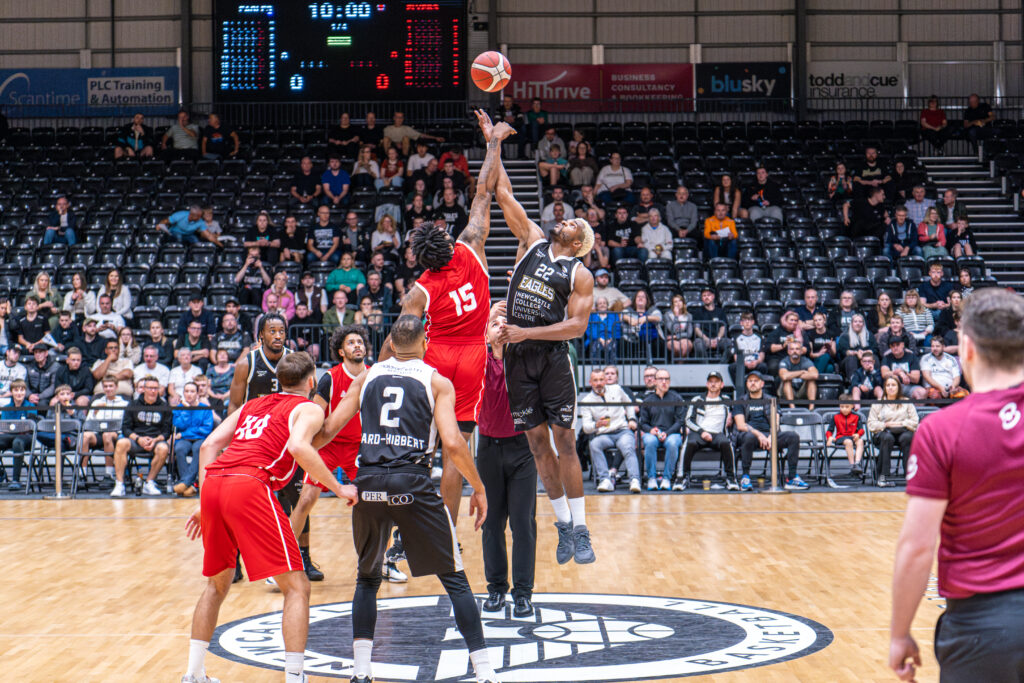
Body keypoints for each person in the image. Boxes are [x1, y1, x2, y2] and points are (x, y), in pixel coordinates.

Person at [314, 315, 499, 683]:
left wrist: (292, 450)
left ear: (391, 344)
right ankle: (486, 673)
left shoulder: (366, 376)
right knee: (455, 580)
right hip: (411, 483)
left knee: (367, 581)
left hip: (367, 482)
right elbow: (453, 443)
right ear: (425, 342)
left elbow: (329, 429)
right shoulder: (436, 381)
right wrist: (478, 488)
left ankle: (362, 672)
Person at [180, 352, 357, 683]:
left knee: (217, 584)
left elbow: (209, 446)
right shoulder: (308, 408)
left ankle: (193, 674)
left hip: (215, 483)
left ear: (278, 381)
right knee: (297, 587)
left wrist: (204, 501)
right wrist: (338, 486)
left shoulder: (252, 405)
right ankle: (294, 676)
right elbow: (299, 448)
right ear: (310, 382)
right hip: (250, 484)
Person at [377, 112, 509, 527]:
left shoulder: (420, 289)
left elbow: (400, 338)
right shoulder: (471, 247)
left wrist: (379, 372)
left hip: (433, 361)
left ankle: (403, 531)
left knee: (418, 447)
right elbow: (484, 193)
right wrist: (492, 144)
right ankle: (447, 533)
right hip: (472, 359)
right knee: (458, 447)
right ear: (448, 242)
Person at [889, 288, 1024, 682]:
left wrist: (899, 634)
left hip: (982, 628)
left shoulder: (942, 430)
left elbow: (917, 546)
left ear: (965, 347)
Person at [490, 112, 598, 565]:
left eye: (574, 221)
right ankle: (562, 525)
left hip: (552, 359)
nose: (566, 219)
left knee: (565, 440)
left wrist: (524, 331)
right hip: (518, 360)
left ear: (579, 241)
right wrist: (493, 143)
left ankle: (583, 528)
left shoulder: (580, 272)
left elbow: (576, 328)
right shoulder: (533, 241)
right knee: (537, 446)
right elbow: (500, 192)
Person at [476, 302, 537, 617]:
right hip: (488, 449)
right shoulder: (477, 360)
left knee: (523, 524)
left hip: (522, 448)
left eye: (505, 324)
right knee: (492, 524)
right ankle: (496, 589)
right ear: (485, 332)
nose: (500, 328)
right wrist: (486, 321)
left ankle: (523, 593)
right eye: (494, 324)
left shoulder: (524, 360)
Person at [734, 370, 807, 491]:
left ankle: (792, 477)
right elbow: (741, 425)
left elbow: (776, 422)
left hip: (769, 435)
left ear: (762, 384)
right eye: (750, 381)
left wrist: (770, 437)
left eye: (756, 381)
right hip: (750, 435)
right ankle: (745, 477)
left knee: (793, 436)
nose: (753, 383)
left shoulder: (771, 399)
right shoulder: (740, 401)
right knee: (749, 437)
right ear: (747, 384)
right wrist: (759, 435)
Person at [110, 375, 172, 497]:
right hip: (136, 440)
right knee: (121, 443)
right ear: (143, 389)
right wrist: (138, 439)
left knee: (164, 448)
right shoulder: (133, 405)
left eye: (155, 388)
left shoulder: (165, 406)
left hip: (155, 441)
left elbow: (166, 432)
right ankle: (119, 484)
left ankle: (149, 482)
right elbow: (126, 428)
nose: (153, 391)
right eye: (150, 388)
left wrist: (155, 440)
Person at [580, 369, 640, 494]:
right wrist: (596, 424)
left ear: (605, 381)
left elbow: (629, 403)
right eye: (595, 380)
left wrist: (632, 418)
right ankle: (605, 480)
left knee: (628, 446)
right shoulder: (586, 401)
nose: (599, 383)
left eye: (601, 380)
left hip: (622, 430)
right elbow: (586, 427)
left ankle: (634, 480)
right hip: (604, 434)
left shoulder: (617, 389)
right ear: (590, 382)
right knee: (594, 445)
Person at [680, 371, 738, 490]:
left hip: (718, 434)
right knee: (689, 443)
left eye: (716, 382)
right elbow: (688, 420)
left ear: (722, 385)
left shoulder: (727, 400)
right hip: (699, 433)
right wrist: (702, 432)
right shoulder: (697, 399)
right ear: (707, 384)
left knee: (726, 443)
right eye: (711, 382)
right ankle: (683, 477)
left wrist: (732, 415)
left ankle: (731, 478)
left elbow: (737, 410)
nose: (713, 384)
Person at [867, 376, 918, 488]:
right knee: (887, 438)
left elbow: (915, 422)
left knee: (908, 437)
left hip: (903, 431)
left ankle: (909, 475)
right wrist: (885, 425)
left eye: (893, 385)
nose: (890, 388)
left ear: (898, 387)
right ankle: (883, 477)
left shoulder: (906, 402)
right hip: (884, 433)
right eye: (888, 385)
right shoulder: (878, 403)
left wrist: (901, 424)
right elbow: (871, 423)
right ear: (885, 388)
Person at [639, 368, 684, 490]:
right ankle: (652, 478)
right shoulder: (647, 401)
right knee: (649, 441)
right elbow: (643, 423)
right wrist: (650, 430)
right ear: (655, 381)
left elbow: (680, 421)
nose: (664, 382)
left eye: (666, 379)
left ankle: (666, 478)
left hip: (672, 433)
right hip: (653, 434)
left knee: (673, 442)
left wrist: (667, 433)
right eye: (660, 379)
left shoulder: (676, 399)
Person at [80, 375, 128, 490]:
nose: (108, 389)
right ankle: (82, 474)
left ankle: (109, 474)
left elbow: (124, 424)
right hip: (98, 434)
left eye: (111, 386)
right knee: (85, 436)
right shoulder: (97, 402)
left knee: (107, 435)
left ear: (116, 387)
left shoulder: (124, 404)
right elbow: (88, 424)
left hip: (116, 435)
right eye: (105, 386)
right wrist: (95, 412)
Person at [171, 381, 215, 497]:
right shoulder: (179, 408)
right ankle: (190, 485)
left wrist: (184, 434)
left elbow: (206, 429)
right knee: (179, 448)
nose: (189, 394)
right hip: (185, 440)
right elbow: (178, 424)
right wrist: (186, 410)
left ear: (197, 394)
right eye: (186, 391)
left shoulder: (205, 408)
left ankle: (184, 482)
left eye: (192, 391)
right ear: (183, 393)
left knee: (198, 449)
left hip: (200, 438)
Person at [0, 380, 35, 490]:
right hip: (9, 436)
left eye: (22, 390)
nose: (19, 393)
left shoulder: (31, 406)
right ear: (11, 392)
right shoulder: (7, 407)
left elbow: (30, 427)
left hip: (25, 438)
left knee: (17, 442)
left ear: (25, 392)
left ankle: (16, 479)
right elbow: (3, 427)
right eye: (16, 390)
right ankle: (1, 473)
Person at [825, 396, 866, 476]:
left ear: (852, 406)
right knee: (848, 442)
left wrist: (858, 434)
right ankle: (852, 465)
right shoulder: (835, 417)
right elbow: (830, 430)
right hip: (840, 437)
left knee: (860, 441)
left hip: (853, 436)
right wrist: (829, 437)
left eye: (847, 407)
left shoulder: (857, 416)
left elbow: (861, 429)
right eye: (842, 407)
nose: (844, 409)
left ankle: (857, 463)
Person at [778, 339, 819, 408]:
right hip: (787, 392)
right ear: (788, 351)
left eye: (797, 349)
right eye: (792, 349)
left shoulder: (806, 361)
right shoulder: (784, 361)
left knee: (811, 381)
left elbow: (815, 375)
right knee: (787, 381)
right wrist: (802, 372)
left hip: (802, 391)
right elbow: (784, 376)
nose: (794, 351)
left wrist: (792, 375)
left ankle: (811, 408)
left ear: (801, 351)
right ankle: (793, 408)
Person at [692, 287, 730, 360]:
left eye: (708, 295)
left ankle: (721, 365)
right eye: (704, 295)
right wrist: (706, 339)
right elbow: (697, 329)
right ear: (702, 298)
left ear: (713, 296)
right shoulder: (698, 312)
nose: (706, 297)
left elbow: (723, 327)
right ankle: (705, 366)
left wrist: (718, 338)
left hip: (718, 339)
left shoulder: (720, 311)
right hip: (704, 340)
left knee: (729, 343)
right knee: (698, 343)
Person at [731, 311, 766, 380]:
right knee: (732, 367)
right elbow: (736, 356)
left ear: (753, 322)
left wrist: (756, 362)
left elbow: (761, 354)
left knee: (763, 366)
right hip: (743, 363)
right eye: (744, 320)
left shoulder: (759, 337)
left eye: (749, 320)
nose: (747, 322)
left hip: (755, 363)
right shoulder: (736, 338)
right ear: (741, 323)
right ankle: (740, 389)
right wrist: (745, 363)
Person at [585, 297, 620, 364]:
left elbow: (617, 329)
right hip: (595, 339)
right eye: (600, 303)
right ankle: (595, 367)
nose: (602, 305)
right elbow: (589, 330)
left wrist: (610, 339)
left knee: (612, 346)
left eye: (604, 303)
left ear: (607, 305)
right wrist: (600, 339)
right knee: (596, 346)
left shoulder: (614, 316)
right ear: (596, 307)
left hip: (611, 339)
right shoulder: (591, 316)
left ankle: (612, 367)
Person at [663, 294, 694, 360]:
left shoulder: (689, 316)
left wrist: (676, 336)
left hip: (682, 338)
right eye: (675, 302)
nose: (678, 303)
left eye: (680, 301)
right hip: (671, 340)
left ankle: (679, 364)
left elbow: (689, 333)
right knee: (677, 348)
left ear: (683, 303)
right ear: (673, 304)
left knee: (686, 346)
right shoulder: (668, 315)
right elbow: (673, 330)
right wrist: (676, 316)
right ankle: (680, 364)